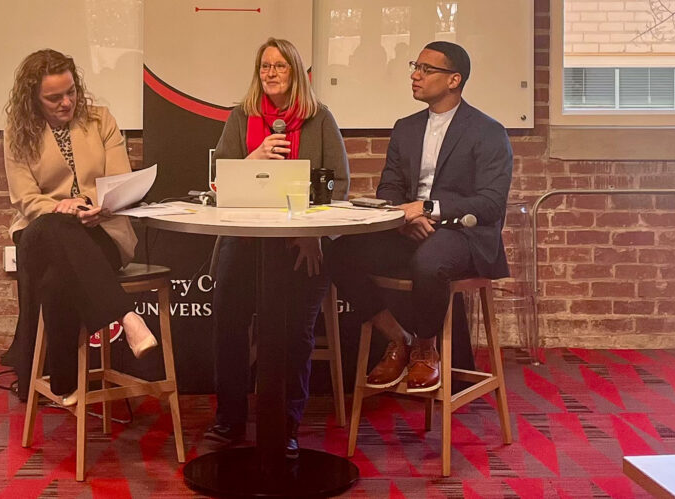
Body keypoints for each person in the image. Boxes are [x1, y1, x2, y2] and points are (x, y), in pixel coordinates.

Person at [330, 40, 512, 393]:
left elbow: (491, 203)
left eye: (426, 69)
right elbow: (390, 190)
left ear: (453, 80)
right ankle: (400, 340)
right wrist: (405, 220)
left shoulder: (487, 131)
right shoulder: (406, 127)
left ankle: (427, 348)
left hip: (463, 235)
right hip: (410, 228)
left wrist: (426, 209)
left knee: (429, 263)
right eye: (415, 67)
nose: (415, 75)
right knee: (340, 253)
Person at [205, 37, 349, 458]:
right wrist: (255, 157)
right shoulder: (241, 117)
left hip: (300, 242)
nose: (270, 73)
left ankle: (285, 422)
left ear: (296, 73)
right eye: (264, 66)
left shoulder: (319, 119)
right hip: (245, 238)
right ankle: (230, 418)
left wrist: (312, 233)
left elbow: (339, 187)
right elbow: (219, 181)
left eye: (279, 66)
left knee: (293, 331)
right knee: (228, 324)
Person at [3, 49, 157, 404]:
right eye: (54, 98)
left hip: (100, 229)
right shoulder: (17, 132)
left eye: (70, 91)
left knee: (58, 277)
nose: (66, 102)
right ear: (33, 98)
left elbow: (119, 181)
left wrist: (90, 207)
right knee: (55, 228)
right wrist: (63, 209)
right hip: (40, 229)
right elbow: (26, 198)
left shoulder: (101, 120)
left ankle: (63, 384)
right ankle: (128, 317)